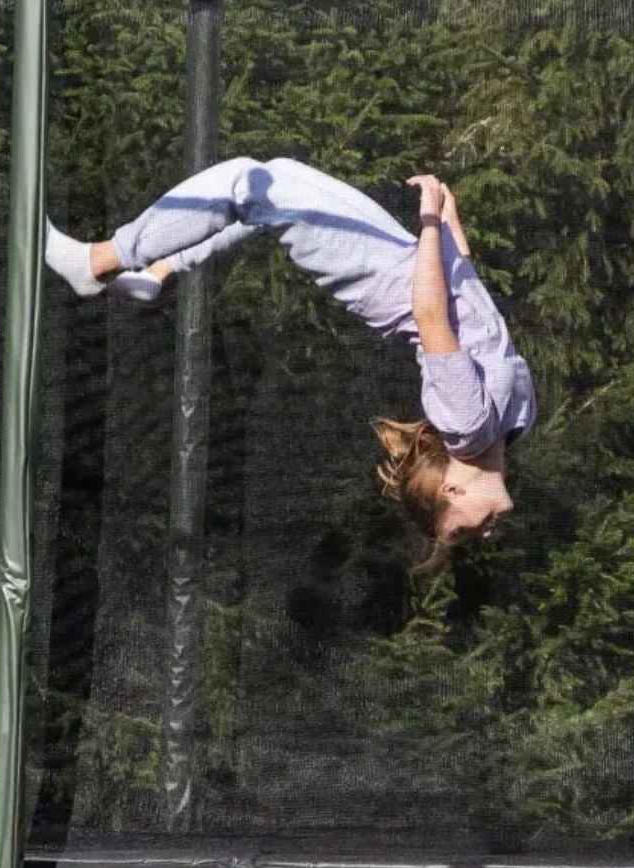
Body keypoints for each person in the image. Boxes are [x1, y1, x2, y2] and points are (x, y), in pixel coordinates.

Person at [43, 156, 535, 566]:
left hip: (371, 270)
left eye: (465, 533)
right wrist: (448, 220)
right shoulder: (516, 421)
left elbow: (431, 316)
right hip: (398, 256)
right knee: (264, 184)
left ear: (451, 490)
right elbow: (470, 296)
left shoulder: (467, 427)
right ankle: (159, 271)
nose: (485, 534)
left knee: (251, 183)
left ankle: (99, 262)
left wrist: (429, 221)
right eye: (466, 535)